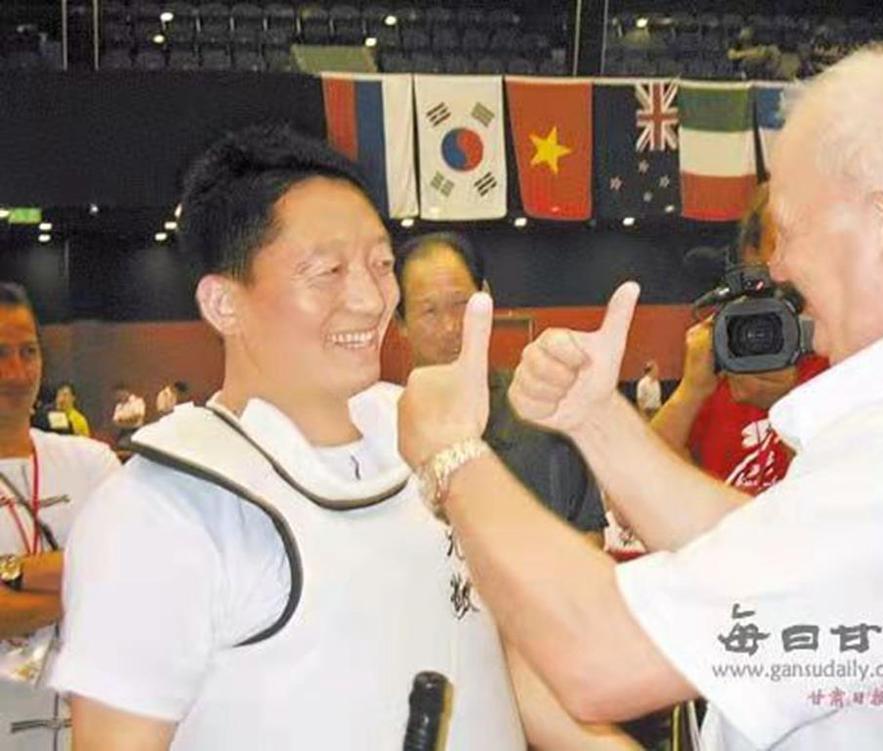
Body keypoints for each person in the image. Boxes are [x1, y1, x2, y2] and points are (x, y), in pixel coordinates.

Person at [397, 49, 883, 750]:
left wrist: (453, 455)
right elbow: (768, 552)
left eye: (791, 230)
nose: (779, 266)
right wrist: (597, 418)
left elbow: (605, 657)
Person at [49, 125, 528, 751]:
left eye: (381, 264)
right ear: (224, 304)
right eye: (328, 270)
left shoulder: (430, 439)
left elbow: (502, 667)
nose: (370, 299)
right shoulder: (162, 511)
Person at [395, 232, 606, 547]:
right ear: (400, 322)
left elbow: (589, 535)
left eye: (461, 305)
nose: (450, 327)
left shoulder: (542, 409)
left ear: (486, 298)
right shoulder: (380, 433)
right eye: (429, 311)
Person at [0, 283, 120, 751]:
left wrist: (13, 573)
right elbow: (115, 580)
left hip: (87, 725)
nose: (16, 373)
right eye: (0, 353)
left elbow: (138, 573)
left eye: (28, 352)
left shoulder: (91, 464)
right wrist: (94, 586)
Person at [652, 185, 827, 495]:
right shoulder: (723, 353)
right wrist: (689, 393)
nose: (800, 264)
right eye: (782, 244)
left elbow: (837, 503)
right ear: (751, 254)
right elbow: (636, 493)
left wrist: (787, 407)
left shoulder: (850, 360)